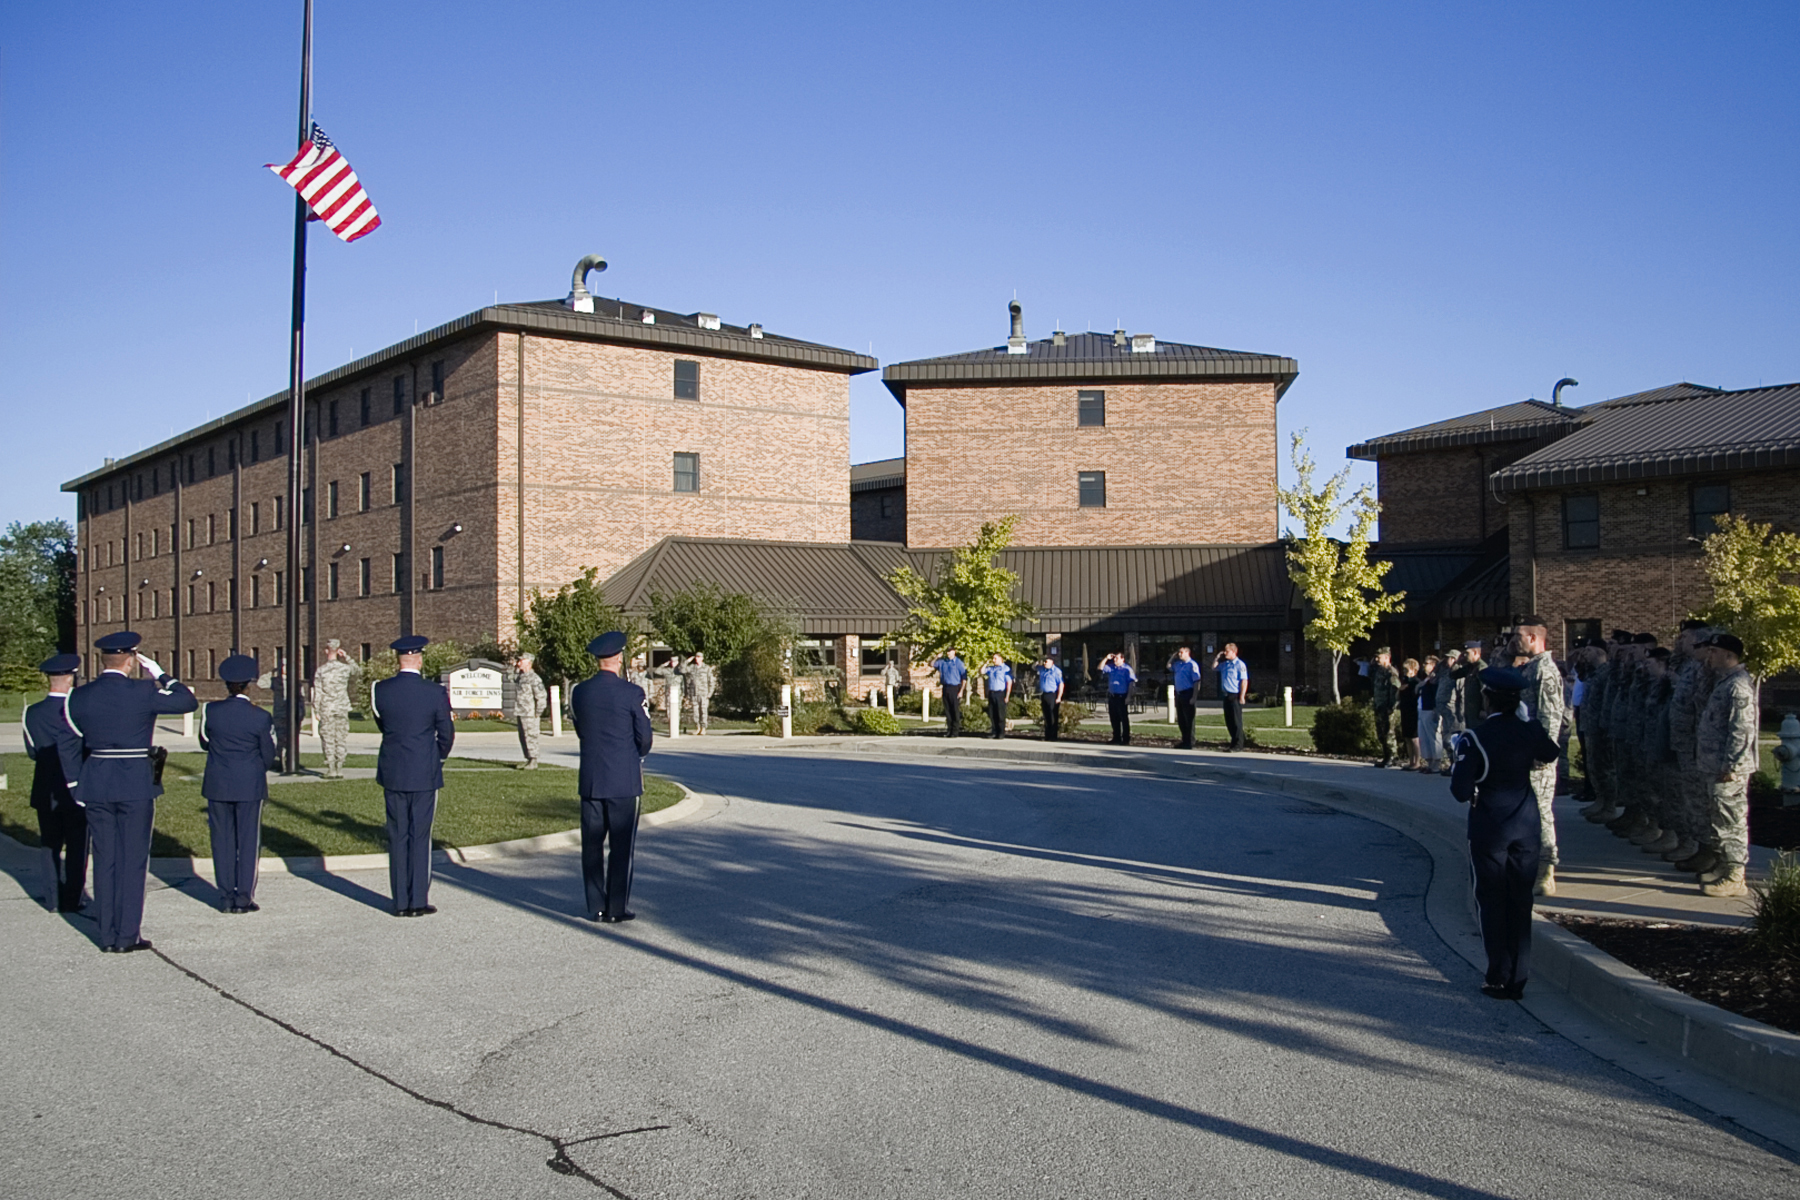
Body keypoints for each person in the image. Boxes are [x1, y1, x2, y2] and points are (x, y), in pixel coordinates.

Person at [65, 631, 197, 953]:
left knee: (105, 859)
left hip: (96, 780)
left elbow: (70, 740)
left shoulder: (79, 696)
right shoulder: (142, 690)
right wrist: (160, 673)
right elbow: (187, 701)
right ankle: (127, 935)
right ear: (131, 660)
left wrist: (74, 784)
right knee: (133, 861)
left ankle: (107, 935)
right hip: (135, 782)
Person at [1450, 665, 1563, 1001]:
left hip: (1489, 826)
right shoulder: (1528, 731)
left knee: (1491, 900)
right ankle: (1519, 976)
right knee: (1520, 900)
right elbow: (1550, 753)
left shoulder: (1476, 737)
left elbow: (1460, 790)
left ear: (1488, 698)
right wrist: (1530, 725)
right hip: (1527, 825)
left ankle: (1498, 974)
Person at [571, 631, 655, 923]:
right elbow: (644, 736)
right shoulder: (632, 693)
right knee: (621, 847)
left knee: (592, 845)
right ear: (619, 659)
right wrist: (636, 754)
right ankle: (616, 907)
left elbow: (581, 729)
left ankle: (595, 905)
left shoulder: (580, 691)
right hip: (623, 778)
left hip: (592, 777)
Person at [370, 634, 455, 917]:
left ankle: (400, 902)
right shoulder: (434, 692)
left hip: (394, 769)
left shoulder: (380, 689)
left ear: (399, 660)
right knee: (420, 835)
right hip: (423, 769)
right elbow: (446, 733)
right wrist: (437, 756)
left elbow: (383, 725)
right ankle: (418, 898)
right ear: (419, 659)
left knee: (397, 835)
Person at [199, 655, 278, 913]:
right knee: (247, 841)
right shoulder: (260, 716)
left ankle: (224, 897)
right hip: (249, 784)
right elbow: (269, 753)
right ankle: (243, 897)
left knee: (221, 841)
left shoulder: (211, 710)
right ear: (249, 684)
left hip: (218, 782)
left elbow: (204, 742)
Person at [22, 653, 87, 913]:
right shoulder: (77, 711)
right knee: (77, 846)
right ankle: (73, 897)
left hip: (45, 786)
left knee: (49, 844)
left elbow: (33, 751)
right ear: (70, 677)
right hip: (74, 786)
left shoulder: (32, 713)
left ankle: (52, 899)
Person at [1695, 633, 1757, 897]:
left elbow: (1742, 730)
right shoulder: (1723, 682)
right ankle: (1723, 866)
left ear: (1729, 655)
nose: (1709, 656)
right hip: (1714, 765)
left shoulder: (1738, 686)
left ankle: (1735, 876)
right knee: (1718, 819)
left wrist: (1732, 765)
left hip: (1728, 769)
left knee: (1730, 821)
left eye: (1714, 651)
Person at [311, 640, 359, 778]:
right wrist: (347, 657)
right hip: (342, 707)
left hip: (327, 708)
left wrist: (317, 710)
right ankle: (340, 767)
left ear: (326, 650)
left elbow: (318, 692)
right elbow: (357, 670)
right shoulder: (344, 668)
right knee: (341, 737)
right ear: (338, 650)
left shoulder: (321, 670)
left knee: (328, 738)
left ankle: (331, 768)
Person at [511, 652, 548, 767]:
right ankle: (528, 759)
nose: (518, 663)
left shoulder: (534, 678)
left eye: (521, 661)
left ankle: (533, 759)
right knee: (523, 737)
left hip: (530, 713)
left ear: (529, 663)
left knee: (531, 736)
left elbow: (541, 696)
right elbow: (509, 677)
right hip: (521, 711)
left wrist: (538, 713)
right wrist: (513, 667)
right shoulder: (520, 676)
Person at [1369, 648, 1401, 767]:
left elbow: (1395, 690)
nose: (1377, 659)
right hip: (1379, 705)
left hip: (1387, 707)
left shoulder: (1390, 672)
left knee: (1389, 733)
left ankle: (1392, 757)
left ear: (1387, 658)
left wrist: (1392, 706)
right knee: (1381, 733)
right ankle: (1386, 756)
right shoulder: (1378, 671)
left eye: (1379, 657)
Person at [1433, 648, 1463, 773]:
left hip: (1453, 709)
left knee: (1453, 739)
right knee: (1446, 738)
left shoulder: (1458, 673)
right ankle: (1452, 764)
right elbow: (1435, 674)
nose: (1447, 660)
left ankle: (1457, 765)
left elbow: (1461, 692)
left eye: (1450, 658)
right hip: (1443, 708)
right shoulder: (1445, 671)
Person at [1214, 644, 1249, 752]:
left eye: (1227, 651)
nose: (1225, 653)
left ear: (1234, 652)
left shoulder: (1240, 665)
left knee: (1236, 721)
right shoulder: (1225, 664)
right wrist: (1217, 657)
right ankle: (1233, 743)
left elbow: (1244, 681)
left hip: (1235, 695)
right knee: (1229, 721)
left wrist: (1242, 696)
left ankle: (1239, 744)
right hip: (1226, 695)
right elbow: (1214, 667)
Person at [1169, 647, 1204, 749]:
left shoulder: (1192, 665)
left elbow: (1197, 682)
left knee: (1189, 719)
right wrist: (1172, 657)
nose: (1179, 654)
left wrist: (1194, 697)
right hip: (1179, 694)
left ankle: (1190, 741)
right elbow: (1168, 666)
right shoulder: (1178, 664)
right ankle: (1184, 740)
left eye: (1181, 652)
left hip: (1188, 693)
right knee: (1181, 719)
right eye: (1178, 652)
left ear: (1188, 653)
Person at [932, 648, 969, 738]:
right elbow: (932, 664)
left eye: (950, 651)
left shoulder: (959, 663)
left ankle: (955, 731)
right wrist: (936, 657)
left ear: (954, 652)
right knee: (947, 710)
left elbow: (964, 678)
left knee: (954, 710)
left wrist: (961, 691)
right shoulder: (943, 662)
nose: (948, 653)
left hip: (955, 687)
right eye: (947, 652)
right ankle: (949, 730)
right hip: (945, 687)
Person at [1102, 652, 1137, 745]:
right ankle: (1116, 737)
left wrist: (1129, 697)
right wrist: (1106, 658)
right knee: (1114, 718)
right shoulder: (1111, 667)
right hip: (1112, 696)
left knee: (1123, 718)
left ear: (1122, 659)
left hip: (1122, 697)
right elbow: (1100, 668)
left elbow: (1131, 684)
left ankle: (1126, 738)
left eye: (1117, 658)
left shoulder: (1127, 669)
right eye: (1114, 658)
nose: (1114, 660)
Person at [1417, 654, 1444, 773]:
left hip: (1431, 710)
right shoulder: (1427, 679)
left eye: (1426, 664)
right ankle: (1429, 762)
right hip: (1422, 709)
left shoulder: (1436, 679)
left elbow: (1436, 696)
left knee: (1433, 736)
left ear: (1433, 665)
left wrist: (1436, 710)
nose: (1424, 666)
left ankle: (1436, 763)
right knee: (1424, 737)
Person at [681, 651, 717, 735]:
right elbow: (682, 669)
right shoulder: (692, 667)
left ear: (702, 658)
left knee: (703, 711)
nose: (697, 659)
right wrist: (687, 661)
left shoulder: (706, 668)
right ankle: (697, 727)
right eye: (696, 657)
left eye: (699, 657)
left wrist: (710, 693)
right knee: (695, 711)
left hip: (704, 693)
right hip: (694, 693)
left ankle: (703, 728)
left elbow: (711, 681)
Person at [981, 653, 1013, 739]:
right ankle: (994, 732)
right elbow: (982, 671)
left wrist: (1007, 695)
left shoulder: (1005, 668)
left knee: (1000, 714)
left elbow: (1009, 682)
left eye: (995, 658)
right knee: (992, 713)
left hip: (1000, 693)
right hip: (992, 693)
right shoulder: (991, 669)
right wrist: (986, 663)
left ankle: (1001, 732)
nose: (993, 660)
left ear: (1000, 659)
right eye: (993, 658)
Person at [1397, 659, 1420, 768]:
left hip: (1413, 712)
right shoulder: (1404, 682)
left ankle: (1417, 762)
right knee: (1407, 738)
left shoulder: (1416, 682)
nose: (1405, 672)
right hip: (1404, 711)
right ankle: (1411, 761)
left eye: (1407, 669)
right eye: (1404, 670)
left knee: (1414, 738)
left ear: (1414, 670)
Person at [1036, 655, 1065, 741]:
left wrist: (1059, 697)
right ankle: (1047, 735)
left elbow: (1061, 684)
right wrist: (1038, 660)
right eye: (1044, 662)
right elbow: (1033, 667)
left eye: (1046, 662)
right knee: (1046, 715)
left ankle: (1053, 736)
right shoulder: (1042, 669)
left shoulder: (1056, 671)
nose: (1045, 663)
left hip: (1053, 694)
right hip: (1044, 694)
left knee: (1053, 716)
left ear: (1052, 662)